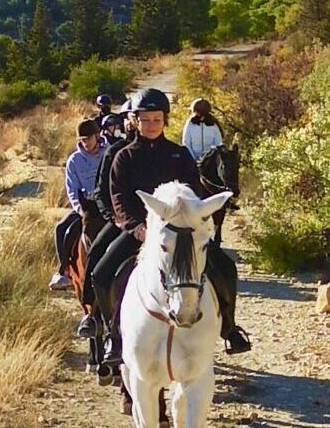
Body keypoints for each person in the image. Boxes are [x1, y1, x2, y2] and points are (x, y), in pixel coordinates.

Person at [92, 88, 252, 365]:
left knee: (225, 267)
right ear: (135, 121)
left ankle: (229, 328)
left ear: (165, 121)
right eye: (145, 119)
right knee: (101, 273)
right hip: (141, 231)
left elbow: (194, 190)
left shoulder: (180, 155)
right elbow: (119, 197)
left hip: (181, 233)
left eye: (156, 119)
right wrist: (138, 228)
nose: (151, 125)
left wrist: (200, 219)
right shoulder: (124, 157)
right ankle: (113, 336)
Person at [76, 98, 137, 336]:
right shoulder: (113, 152)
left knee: (214, 263)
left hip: (159, 222)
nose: (137, 122)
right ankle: (94, 317)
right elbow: (101, 192)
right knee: (97, 262)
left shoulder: (171, 152)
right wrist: (115, 216)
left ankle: (227, 326)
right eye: (134, 117)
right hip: (123, 222)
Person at [49, 118, 105, 291]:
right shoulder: (74, 161)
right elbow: (72, 188)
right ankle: (64, 271)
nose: (86, 142)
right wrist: (80, 209)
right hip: (85, 207)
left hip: (105, 206)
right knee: (61, 228)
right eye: (82, 139)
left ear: (97, 136)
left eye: (88, 138)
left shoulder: (108, 153)